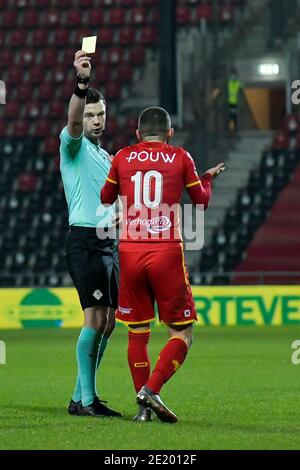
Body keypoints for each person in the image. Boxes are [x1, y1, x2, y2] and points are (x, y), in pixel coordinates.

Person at [101, 107, 225, 423]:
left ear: (138, 134)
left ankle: (142, 410)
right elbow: (202, 202)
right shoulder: (181, 157)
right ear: (170, 132)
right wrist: (207, 178)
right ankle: (151, 389)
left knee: (137, 332)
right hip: (165, 251)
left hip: (129, 251)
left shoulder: (123, 156)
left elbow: (106, 196)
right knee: (182, 333)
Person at [59, 50, 122, 418]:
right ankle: (87, 401)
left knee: (109, 322)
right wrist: (81, 83)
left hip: (106, 241)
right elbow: (72, 118)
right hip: (83, 240)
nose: (96, 121)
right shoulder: (73, 145)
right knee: (95, 318)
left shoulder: (108, 157)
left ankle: (80, 396)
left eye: (100, 115)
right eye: (90, 115)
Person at [228, 67, 242, 132]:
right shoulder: (229, 83)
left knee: (233, 117)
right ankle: (230, 129)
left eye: (234, 75)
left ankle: (233, 130)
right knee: (230, 117)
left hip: (234, 103)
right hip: (228, 103)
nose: (233, 76)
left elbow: (241, 85)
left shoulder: (236, 83)